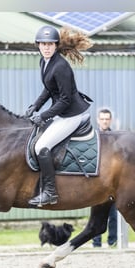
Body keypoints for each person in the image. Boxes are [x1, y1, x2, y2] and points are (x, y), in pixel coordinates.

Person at [25, 25, 93, 207]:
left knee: (41, 146)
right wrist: (35, 106)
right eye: (43, 44)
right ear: (38, 45)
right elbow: (49, 89)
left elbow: (65, 99)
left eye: (50, 44)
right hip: (62, 112)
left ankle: (49, 192)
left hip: (72, 115)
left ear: (56, 46)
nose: (46, 47)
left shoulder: (60, 66)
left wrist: (44, 115)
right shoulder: (44, 61)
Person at [92, 108, 118, 248]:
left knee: (113, 215)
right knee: (96, 214)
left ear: (110, 120)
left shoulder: (115, 137)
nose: (104, 121)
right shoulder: (93, 136)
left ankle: (112, 242)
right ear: (98, 120)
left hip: (112, 182)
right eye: (102, 119)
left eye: (107, 119)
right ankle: (96, 243)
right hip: (96, 182)